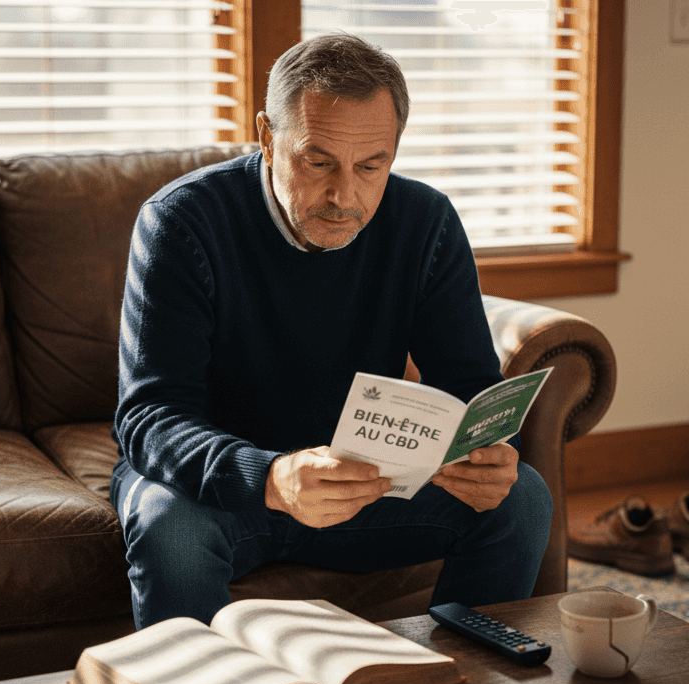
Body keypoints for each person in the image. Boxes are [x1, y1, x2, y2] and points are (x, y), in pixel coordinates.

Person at [111, 32, 552, 629]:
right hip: (224, 488)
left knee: (522, 499)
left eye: (372, 166)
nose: (345, 196)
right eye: (317, 161)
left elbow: (469, 388)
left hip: (361, 485)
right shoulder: (182, 222)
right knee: (171, 529)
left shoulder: (425, 222)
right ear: (268, 137)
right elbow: (150, 418)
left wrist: (488, 457)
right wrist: (269, 478)